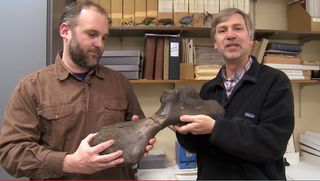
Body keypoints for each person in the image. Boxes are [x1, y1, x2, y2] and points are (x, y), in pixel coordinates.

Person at [0, 1, 155, 180]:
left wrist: (142, 140)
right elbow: (11, 153)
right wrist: (69, 163)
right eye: (92, 34)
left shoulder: (120, 83)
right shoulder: (31, 88)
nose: (100, 44)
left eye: (104, 37)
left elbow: (137, 130)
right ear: (65, 31)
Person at [175, 8, 294, 180]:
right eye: (222, 30)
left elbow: (272, 144)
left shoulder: (276, 82)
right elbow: (197, 146)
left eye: (238, 28)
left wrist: (216, 128)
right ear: (215, 43)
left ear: (251, 40)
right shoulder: (208, 89)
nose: (230, 35)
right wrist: (183, 129)